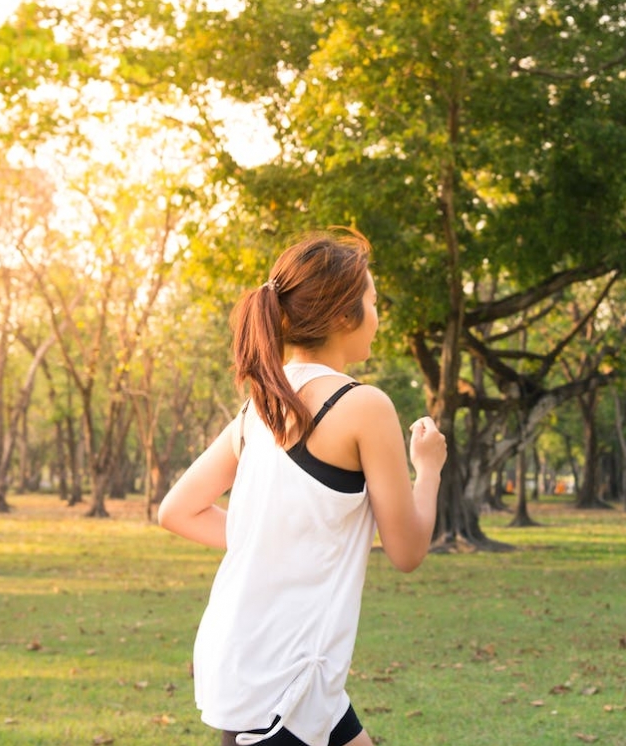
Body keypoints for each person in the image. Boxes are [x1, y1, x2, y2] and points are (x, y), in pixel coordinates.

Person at [158, 228, 446, 746]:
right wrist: (428, 469)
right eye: (373, 302)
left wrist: (272, 539)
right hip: (281, 681)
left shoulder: (259, 407)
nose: (378, 316)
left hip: (262, 662)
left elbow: (177, 510)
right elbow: (407, 550)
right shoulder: (363, 406)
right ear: (342, 315)